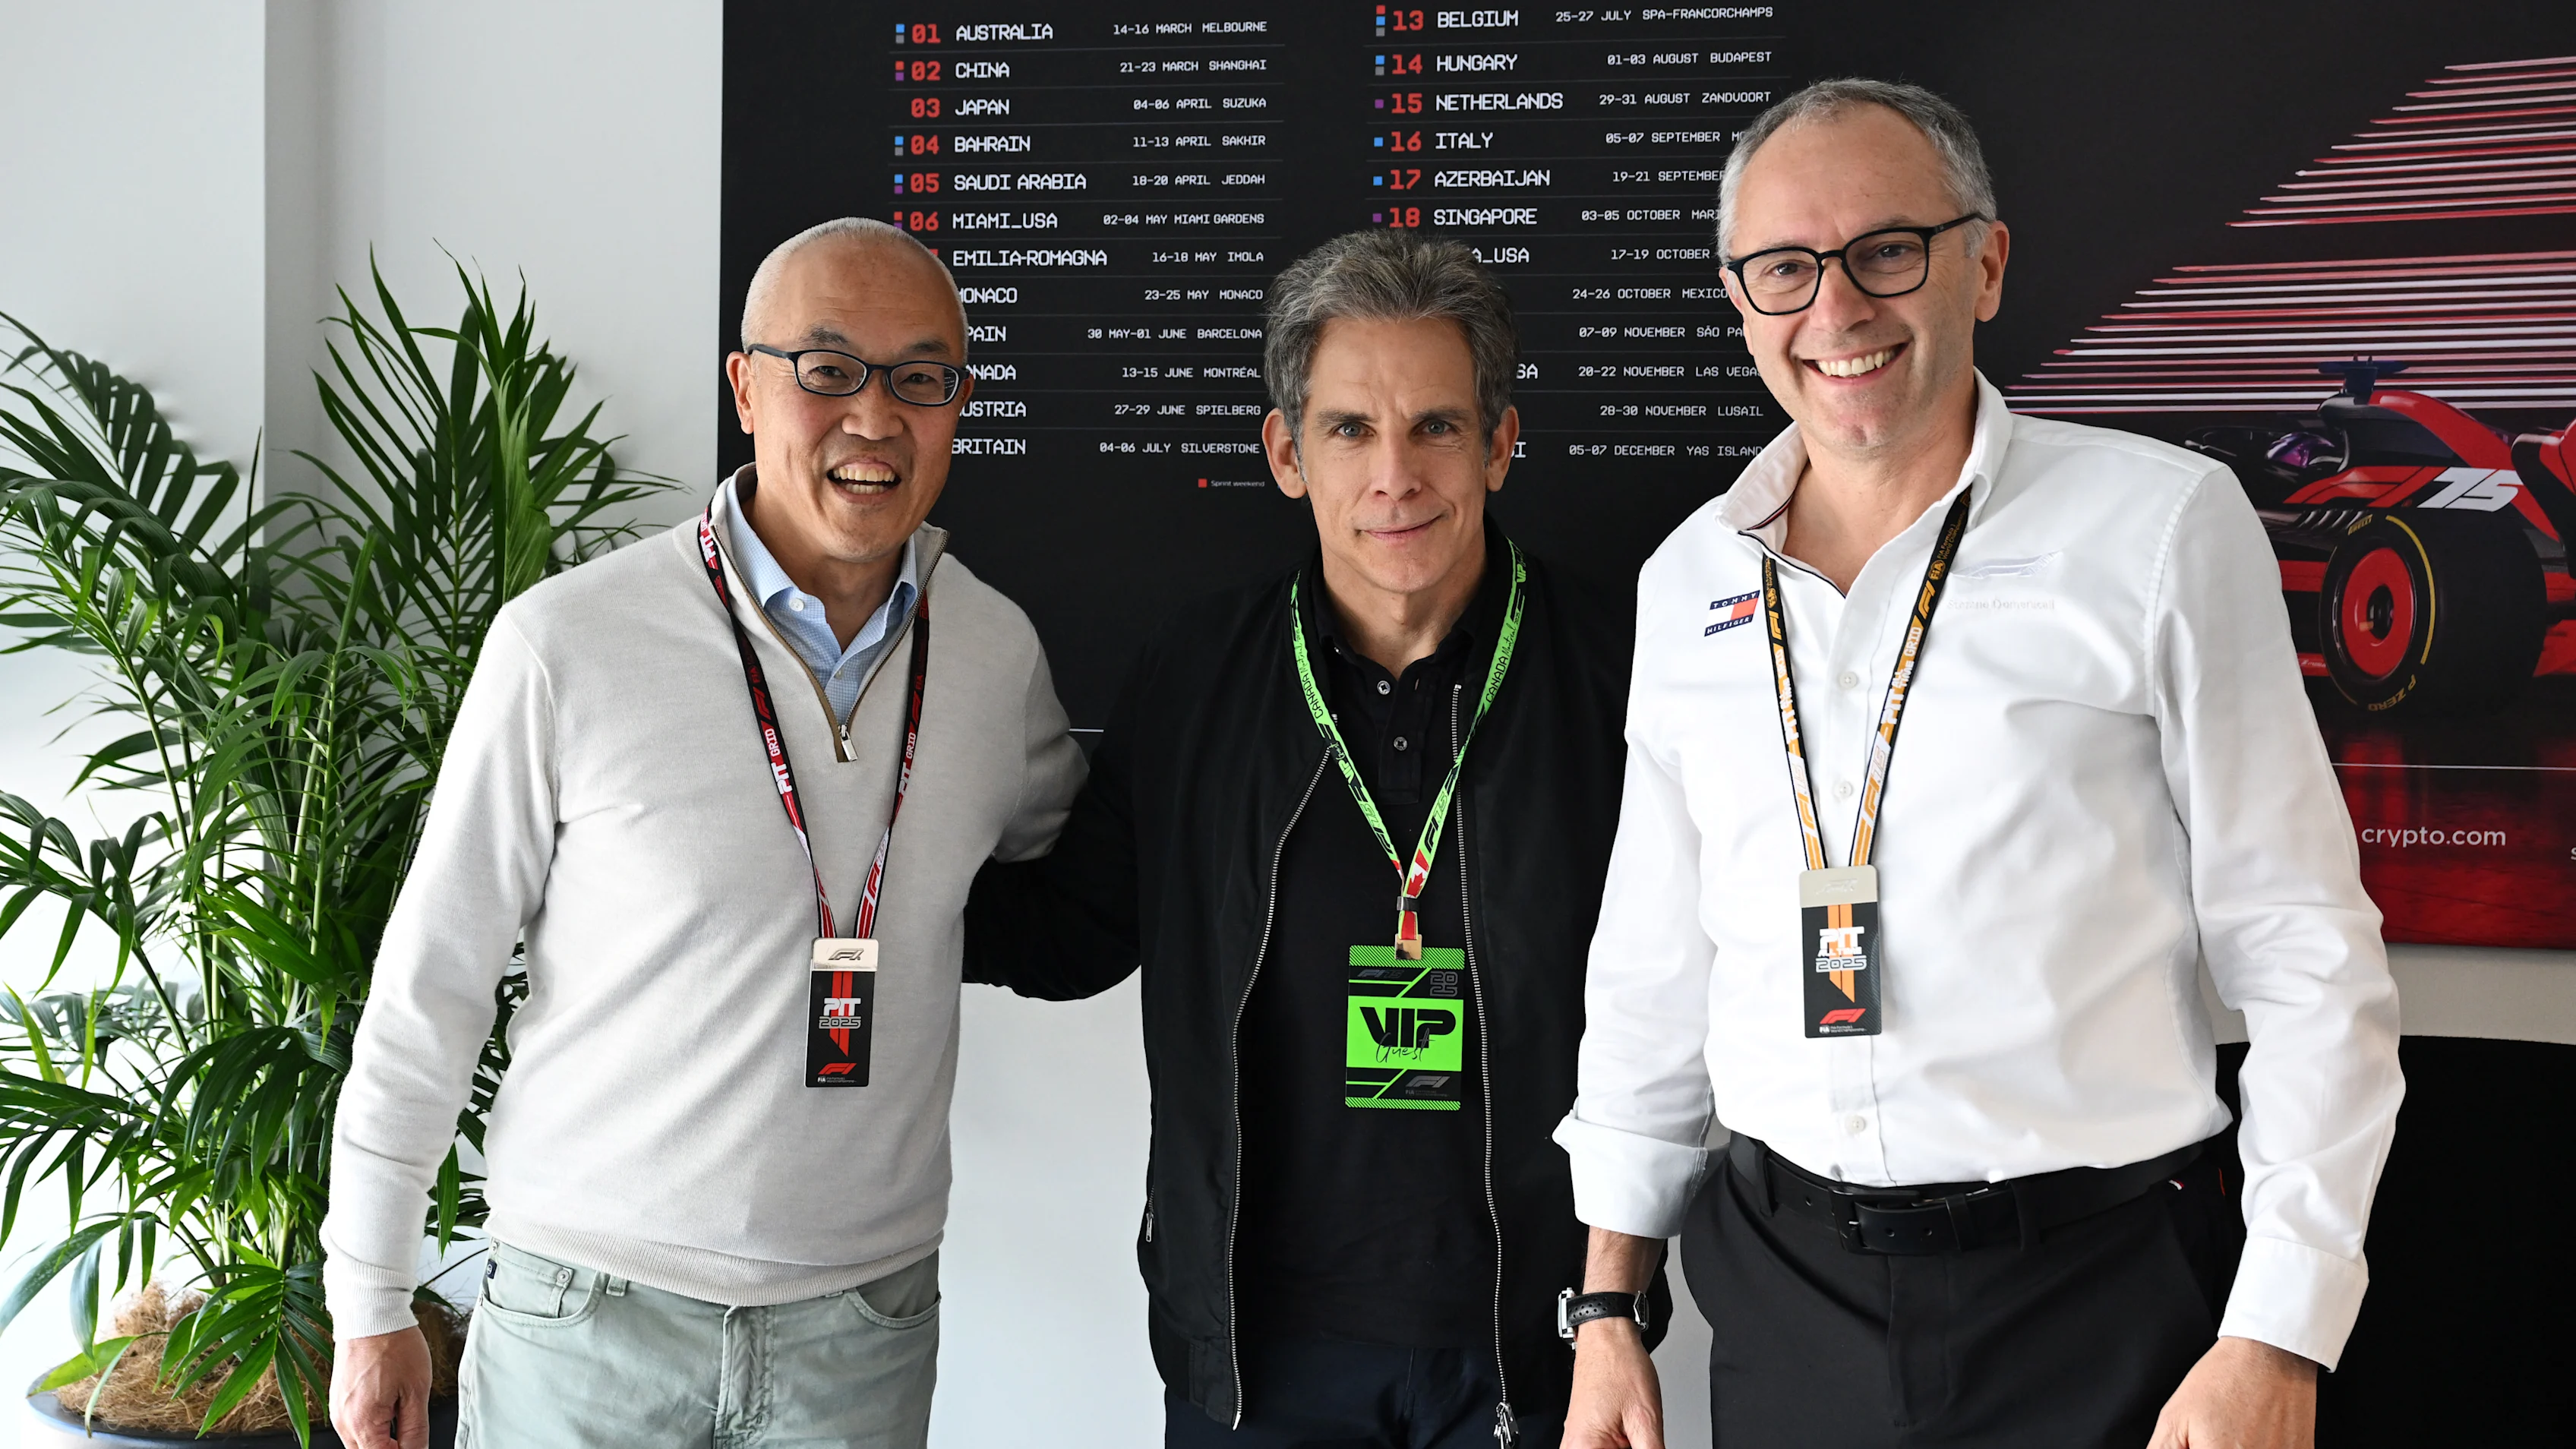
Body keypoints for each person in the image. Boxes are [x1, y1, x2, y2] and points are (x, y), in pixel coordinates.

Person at [1556, 80, 2403, 1449]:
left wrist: (2278, 1332)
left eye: (1889, 250)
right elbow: (1652, 979)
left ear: (1987, 264)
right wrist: (1606, 1312)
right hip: (1785, 1298)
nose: (1836, 310)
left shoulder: (2161, 528)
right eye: (1785, 268)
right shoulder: (1687, 583)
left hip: (2102, 1297)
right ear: (1740, 299)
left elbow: (2305, 953)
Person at [323, 217, 1084, 1449]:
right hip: (585, 1318)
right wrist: (368, 1296)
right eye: (827, 370)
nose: (875, 418)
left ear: (959, 404)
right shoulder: (567, 642)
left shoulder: (994, 655)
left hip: (863, 1330)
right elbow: (433, 983)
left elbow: (1074, 856)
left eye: (919, 378)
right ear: (745, 387)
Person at [964, 229, 1658, 1448]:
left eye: (1437, 426)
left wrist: (1614, 1297)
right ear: (1288, 452)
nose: (1394, 474)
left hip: (1533, 1346)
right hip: (1254, 1355)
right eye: (1349, 429)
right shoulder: (1195, 672)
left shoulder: (1625, 675)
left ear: (1500, 443)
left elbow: (1690, 996)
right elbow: (1073, 933)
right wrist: (828, 890)